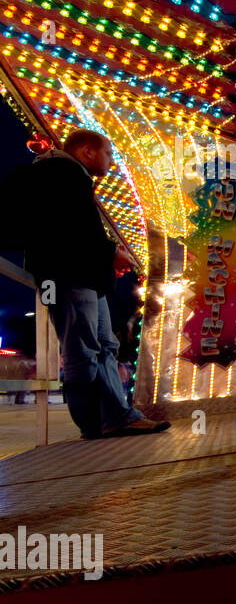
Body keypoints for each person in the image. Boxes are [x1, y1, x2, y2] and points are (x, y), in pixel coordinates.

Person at [22, 130, 169, 438]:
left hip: (81, 277)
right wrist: (109, 253)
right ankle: (93, 423)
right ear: (87, 152)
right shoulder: (60, 173)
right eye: (108, 153)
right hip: (68, 277)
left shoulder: (66, 174)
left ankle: (117, 417)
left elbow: (72, 231)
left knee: (103, 346)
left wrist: (103, 260)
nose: (111, 161)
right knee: (83, 349)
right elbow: (68, 228)